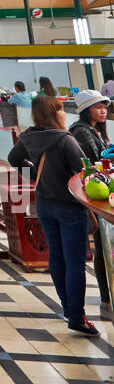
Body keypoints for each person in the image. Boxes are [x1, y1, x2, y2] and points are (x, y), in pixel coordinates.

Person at [8, 95, 99, 336]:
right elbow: (86, 170)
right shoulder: (64, 139)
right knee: (75, 261)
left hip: (44, 204)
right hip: (69, 206)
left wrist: (36, 176)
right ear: (54, 113)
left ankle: (69, 309)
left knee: (57, 257)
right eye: (60, 110)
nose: (63, 114)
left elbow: (13, 159)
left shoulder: (29, 136)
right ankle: (78, 317)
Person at [70, 90, 113, 322]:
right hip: (95, 198)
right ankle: (106, 300)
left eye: (104, 106)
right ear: (86, 110)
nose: (103, 110)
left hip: (102, 194)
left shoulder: (96, 130)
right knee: (103, 249)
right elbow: (95, 162)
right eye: (98, 107)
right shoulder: (82, 131)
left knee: (105, 248)